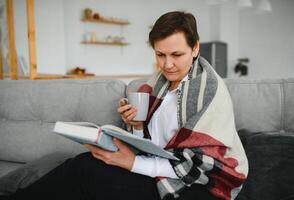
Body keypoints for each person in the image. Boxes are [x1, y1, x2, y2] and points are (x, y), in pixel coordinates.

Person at [8, 11, 248, 200]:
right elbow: (154, 143)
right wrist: (135, 124)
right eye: (160, 55)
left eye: (176, 54)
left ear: (195, 48)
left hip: (195, 183)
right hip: (159, 167)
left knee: (83, 171)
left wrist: (132, 163)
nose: (167, 64)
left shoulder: (208, 91)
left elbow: (199, 164)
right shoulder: (160, 82)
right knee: (82, 164)